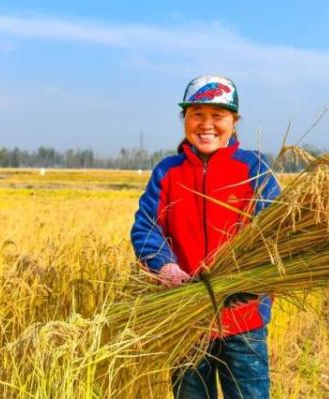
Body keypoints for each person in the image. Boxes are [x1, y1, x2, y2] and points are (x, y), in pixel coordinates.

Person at [131, 75, 280, 399]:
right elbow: (146, 228)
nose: (206, 125)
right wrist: (165, 267)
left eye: (218, 116)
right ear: (184, 118)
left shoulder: (255, 169)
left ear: (234, 121)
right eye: (197, 114)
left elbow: (276, 234)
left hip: (244, 321)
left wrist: (250, 280)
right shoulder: (168, 172)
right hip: (185, 318)